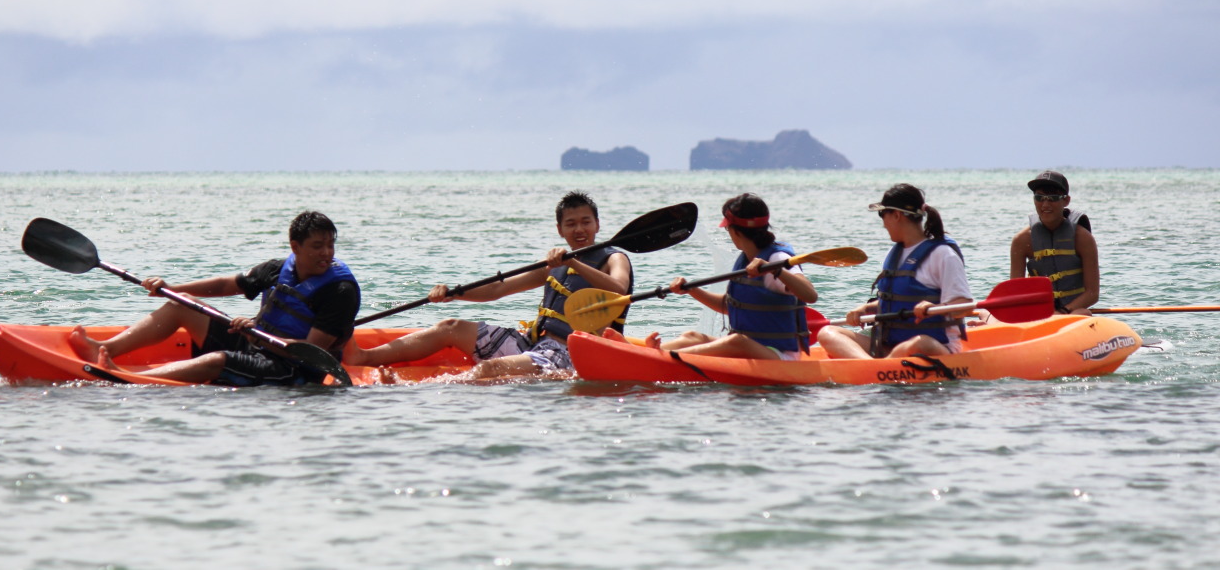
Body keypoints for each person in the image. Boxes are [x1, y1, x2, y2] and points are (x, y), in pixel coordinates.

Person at [343, 190, 632, 380]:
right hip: (534, 342)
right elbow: (497, 289)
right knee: (449, 327)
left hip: (571, 353)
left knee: (491, 369)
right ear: (560, 230)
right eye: (571, 224)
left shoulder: (613, 258)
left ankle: (419, 390)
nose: (579, 229)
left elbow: (619, 289)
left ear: (597, 225)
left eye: (585, 222)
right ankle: (362, 357)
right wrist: (454, 293)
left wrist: (575, 264)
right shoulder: (554, 266)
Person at [68, 211, 360, 385]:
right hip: (257, 344)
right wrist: (172, 286)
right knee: (180, 304)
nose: (326, 253)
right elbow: (227, 284)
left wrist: (257, 335)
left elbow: (312, 353)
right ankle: (104, 349)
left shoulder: (340, 292)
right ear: (295, 247)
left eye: (330, 245)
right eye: (317, 246)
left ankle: (134, 379)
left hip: (292, 371)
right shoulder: (278, 269)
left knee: (218, 360)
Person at [633, 193, 818, 360]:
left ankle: (663, 358)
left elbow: (810, 295)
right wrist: (692, 290)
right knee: (692, 337)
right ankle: (650, 352)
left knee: (737, 341)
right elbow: (730, 306)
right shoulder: (745, 259)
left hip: (781, 355)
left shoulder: (777, 258)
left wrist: (776, 270)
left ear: (735, 231)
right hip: (750, 347)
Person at [817, 184, 973, 359]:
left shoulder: (943, 254)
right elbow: (899, 299)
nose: (883, 223)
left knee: (920, 342)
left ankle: (877, 368)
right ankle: (873, 367)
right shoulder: (895, 254)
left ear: (897, 215)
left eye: (882, 214)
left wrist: (936, 308)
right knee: (827, 333)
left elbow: (965, 306)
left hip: (933, 348)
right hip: (889, 347)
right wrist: (866, 308)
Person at [1010, 170, 1099, 315]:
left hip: (1072, 313)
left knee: (1084, 313)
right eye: (1039, 198)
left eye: (1053, 198)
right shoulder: (1021, 241)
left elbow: (1092, 293)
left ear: (1066, 200)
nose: (1045, 204)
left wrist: (1063, 312)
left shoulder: (1083, 238)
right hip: (1038, 313)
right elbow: (1015, 293)